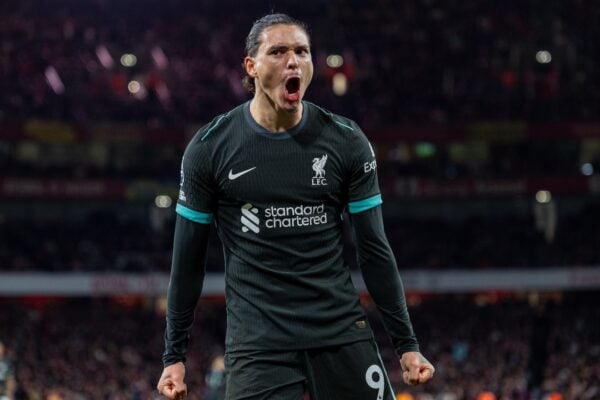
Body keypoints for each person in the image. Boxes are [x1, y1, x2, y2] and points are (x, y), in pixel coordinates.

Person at [157, 13, 434, 400]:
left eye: (302, 51)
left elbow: (374, 251)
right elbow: (188, 260)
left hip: (338, 332)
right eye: (279, 51)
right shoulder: (209, 149)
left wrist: (406, 344)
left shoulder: (346, 140)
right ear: (251, 66)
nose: (294, 61)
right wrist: (174, 356)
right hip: (258, 344)